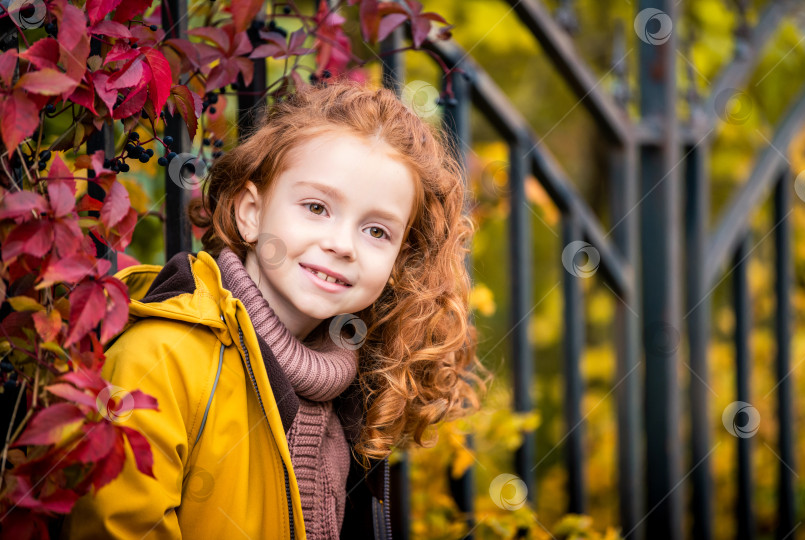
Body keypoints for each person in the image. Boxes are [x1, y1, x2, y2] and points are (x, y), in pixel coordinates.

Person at [61, 80, 489, 539]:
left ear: (400, 259)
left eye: (377, 232)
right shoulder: (163, 358)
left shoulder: (355, 396)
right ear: (250, 213)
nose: (341, 244)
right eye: (316, 207)